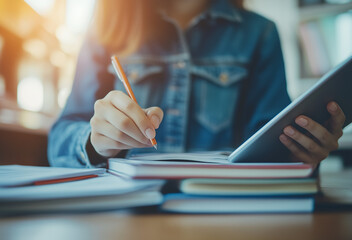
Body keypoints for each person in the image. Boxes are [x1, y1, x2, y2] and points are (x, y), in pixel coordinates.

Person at [48, 0, 345, 168]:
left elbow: (271, 143)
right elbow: (61, 137)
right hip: (121, 213)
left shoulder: (260, 33)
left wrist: (298, 152)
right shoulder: (106, 28)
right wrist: (95, 142)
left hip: (226, 214)